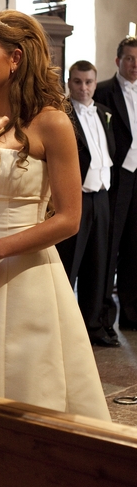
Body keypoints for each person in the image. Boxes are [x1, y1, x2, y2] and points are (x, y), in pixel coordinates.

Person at [0, 11, 110, 421]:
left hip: (25, 271)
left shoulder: (52, 123)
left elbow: (68, 219)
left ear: (15, 57)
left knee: (29, 387)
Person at [56, 61, 118, 347]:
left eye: (88, 82)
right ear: (69, 83)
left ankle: (92, 326)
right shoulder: (62, 114)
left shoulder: (104, 113)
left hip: (102, 196)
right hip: (75, 197)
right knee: (69, 263)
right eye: (77, 82)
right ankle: (61, 329)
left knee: (98, 263)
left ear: (95, 83)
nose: (83, 87)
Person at [94, 37, 137, 331]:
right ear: (118, 61)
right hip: (114, 180)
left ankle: (132, 314)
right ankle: (102, 317)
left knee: (135, 246)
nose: (134, 65)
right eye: (130, 59)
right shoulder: (102, 92)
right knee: (109, 247)